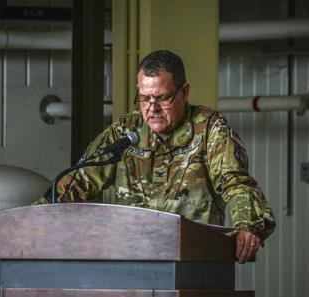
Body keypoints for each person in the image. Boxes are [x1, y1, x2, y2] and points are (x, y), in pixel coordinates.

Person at [34, 50, 275, 263]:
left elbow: (236, 182)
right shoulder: (125, 131)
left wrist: (247, 225)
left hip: (193, 262)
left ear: (184, 92)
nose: (151, 108)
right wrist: (33, 219)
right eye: (144, 98)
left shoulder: (209, 129)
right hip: (130, 258)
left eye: (161, 98)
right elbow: (79, 179)